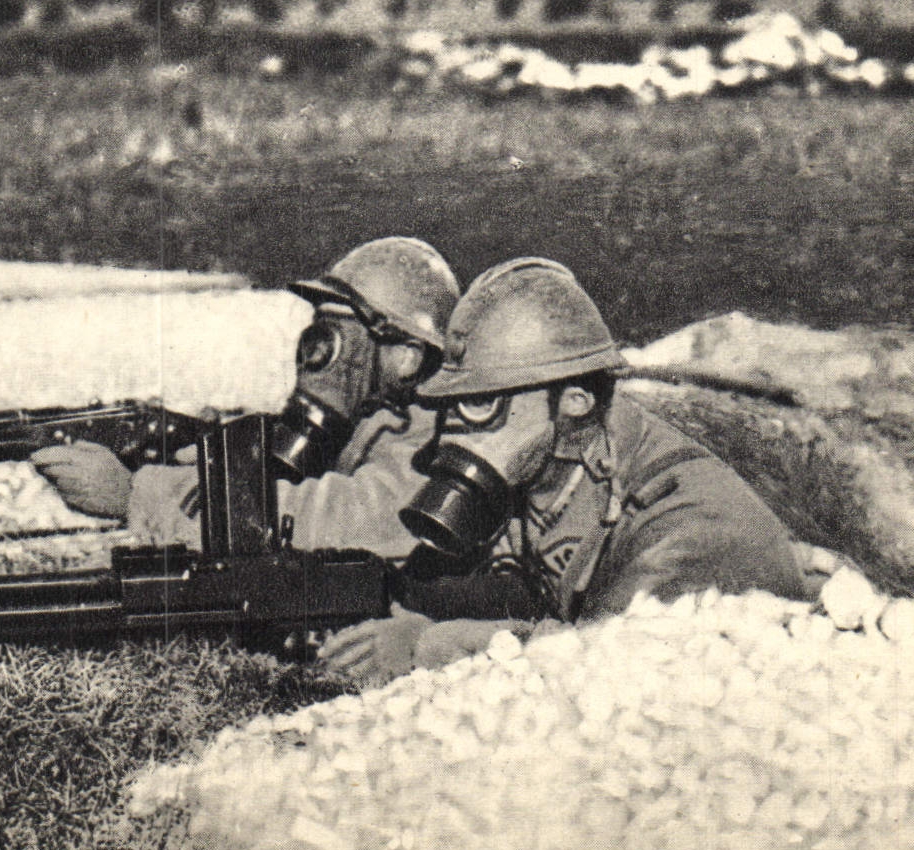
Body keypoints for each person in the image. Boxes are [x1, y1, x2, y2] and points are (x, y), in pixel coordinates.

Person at [319, 257, 809, 683]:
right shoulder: (549, 471)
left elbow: (606, 662)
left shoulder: (690, 520)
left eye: (482, 405)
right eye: (453, 406)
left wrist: (426, 647)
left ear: (575, 399)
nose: (451, 436)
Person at [30, 237, 460, 558]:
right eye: (321, 329)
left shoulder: (437, 434)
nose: (319, 352)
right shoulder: (379, 416)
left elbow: (345, 518)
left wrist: (137, 495)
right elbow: (286, 474)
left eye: (341, 335)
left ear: (407, 357)